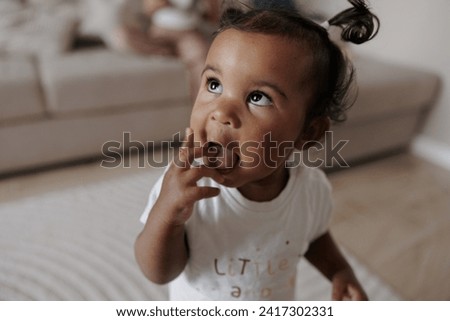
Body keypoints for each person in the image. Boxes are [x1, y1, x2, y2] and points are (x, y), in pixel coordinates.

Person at [135, 0, 379, 300]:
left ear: (308, 132)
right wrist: (167, 214)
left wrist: (339, 270)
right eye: (213, 85)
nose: (221, 111)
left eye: (258, 97)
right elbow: (158, 272)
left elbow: (312, 236)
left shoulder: (310, 188)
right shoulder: (187, 189)